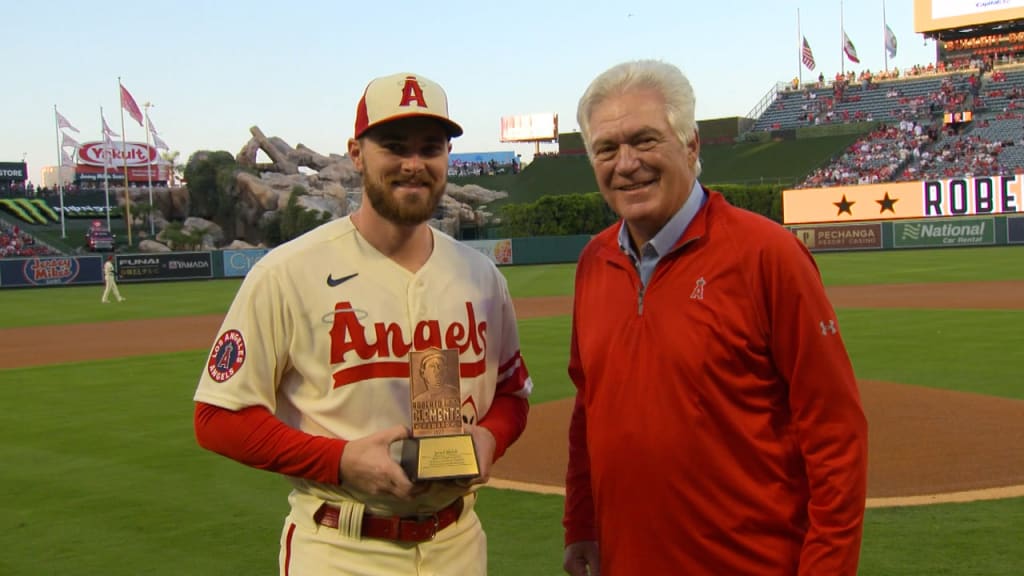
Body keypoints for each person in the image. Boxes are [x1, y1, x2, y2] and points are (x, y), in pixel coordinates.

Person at [193, 71, 533, 576]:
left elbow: (511, 392)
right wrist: (340, 461)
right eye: (394, 146)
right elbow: (217, 418)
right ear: (356, 153)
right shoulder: (287, 273)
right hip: (340, 546)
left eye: (431, 148)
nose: (413, 164)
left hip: (458, 545)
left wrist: (491, 438)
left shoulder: (482, 278)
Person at [561, 60, 868, 576]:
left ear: (691, 145)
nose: (626, 163)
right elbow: (587, 410)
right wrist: (582, 526)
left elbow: (836, 435)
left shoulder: (768, 255)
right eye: (607, 149)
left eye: (645, 140)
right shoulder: (595, 262)